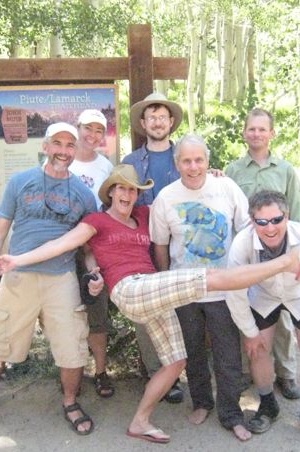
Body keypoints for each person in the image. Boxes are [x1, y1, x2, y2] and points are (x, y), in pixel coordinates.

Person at [0, 165, 300, 444]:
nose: (127, 195)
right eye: (121, 189)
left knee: (176, 360)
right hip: (129, 289)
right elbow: (63, 244)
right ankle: (285, 262)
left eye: (132, 190)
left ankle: (140, 421)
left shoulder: (145, 215)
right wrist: (18, 259)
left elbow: (186, 194)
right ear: (111, 193)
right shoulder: (96, 220)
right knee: (210, 276)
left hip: (153, 292)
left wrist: (212, 178)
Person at [0, 122, 97, 435]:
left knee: (72, 344)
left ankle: (70, 400)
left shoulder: (83, 194)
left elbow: (87, 247)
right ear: (46, 147)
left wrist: (93, 270)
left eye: (69, 146)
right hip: (17, 276)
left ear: (75, 151)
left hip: (60, 279)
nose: (63, 151)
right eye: (58, 144)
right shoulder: (20, 182)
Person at [150, 134, 252, 441]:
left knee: (227, 353)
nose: (193, 167)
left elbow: (247, 230)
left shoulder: (227, 187)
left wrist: (245, 274)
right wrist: (167, 279)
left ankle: (231, 413)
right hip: (185, 289)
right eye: (186, 160)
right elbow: (160, 245)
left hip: (224, 287)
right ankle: (202, 402)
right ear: (176, 162)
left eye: (199, 160)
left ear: (208, 161)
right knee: (192, 350)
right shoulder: (166, 197)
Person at [226, 190, 300, 445]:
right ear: (252, 221)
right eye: (261, 222)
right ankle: (268, 405)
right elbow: (234, 290)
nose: (270, 227)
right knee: (257, 348)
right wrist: (250, 332)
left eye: (276, 219)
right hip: (263, 293)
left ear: (287, 216)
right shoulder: (242, 243)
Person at [225, 107, 300, 399]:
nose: (256, 134)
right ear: (245, 132)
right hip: (248, 254)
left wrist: (298, 256)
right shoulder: (233, 171)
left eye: (262, 129)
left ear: (271, 134)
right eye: (252, 128)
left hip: (281, 253)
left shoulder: (285, 170)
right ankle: (253, 371)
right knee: (248, 309)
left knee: (283, 314)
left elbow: (297, 215)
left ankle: (285, 372)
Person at [122, 92, 184, 402]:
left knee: (187, 307)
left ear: (171, 122)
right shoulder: (131, 163)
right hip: (143, 246)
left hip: (183, 245)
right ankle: (156, 372)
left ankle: (186, 370)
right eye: (151, 118)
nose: (157, 122)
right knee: (149, 311)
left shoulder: (186, 156)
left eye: (162, 117)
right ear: (143, 124)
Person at [69, 109, 115, 397]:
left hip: (95, 248)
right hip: (63, 247)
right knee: (65, 311)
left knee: (97, 311)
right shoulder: (64, 162)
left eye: (99, 130)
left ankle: (100, 371)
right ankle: (69, 370)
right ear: (78, 128)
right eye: (88, 128)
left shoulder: (106, 167)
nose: (93, 135)